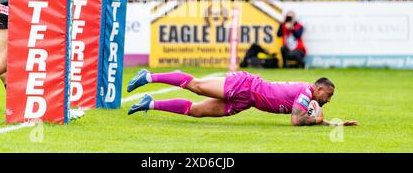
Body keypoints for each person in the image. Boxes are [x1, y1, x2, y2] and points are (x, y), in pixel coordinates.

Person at [126, 69, 358, 127]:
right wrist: (318, 121)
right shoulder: (306, 92)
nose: (328, 100)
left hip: (247, 101)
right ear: (318, 89)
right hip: (245, 86)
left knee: (196, 111)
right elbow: (297, 120)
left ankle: (151, 103)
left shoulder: (310, 98)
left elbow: (306, 115)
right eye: (328, 95)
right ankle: (148, 76)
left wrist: (333, 123)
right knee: (196, 86)